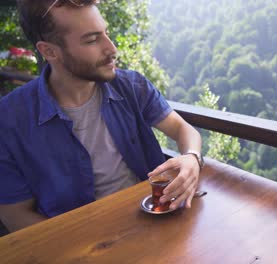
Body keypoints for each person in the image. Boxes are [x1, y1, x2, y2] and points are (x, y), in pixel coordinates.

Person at [0, 0, 204, 232]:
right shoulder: (9, 120)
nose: (112, 48)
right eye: (92, 40)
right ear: (49, 51)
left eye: (106, 33)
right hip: (76, 243)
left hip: (153, 223)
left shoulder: (131, 86)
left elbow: (183, 130)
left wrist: (192, 157)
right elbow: (15, 216)